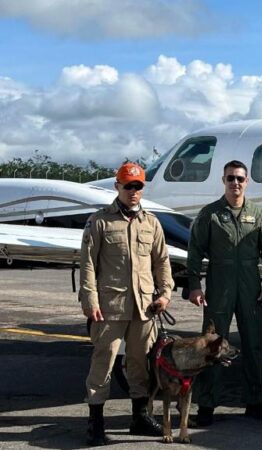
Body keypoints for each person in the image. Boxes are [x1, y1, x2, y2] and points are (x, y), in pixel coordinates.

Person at [80, 162, 174, 446]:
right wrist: (90, 300)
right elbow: (87, 264)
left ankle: (140, 418)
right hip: (109, 305)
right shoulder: (99, 221)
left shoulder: (151, 222)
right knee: (104, 362)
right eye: (128, 185)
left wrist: (165, 293)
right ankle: (96, 422)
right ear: (117, 186)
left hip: (144, 307)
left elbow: (161, 261)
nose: (134, 191)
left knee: (139, 363)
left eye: (138, 186)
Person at [186, 160, 262, 426]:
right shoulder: (210, 214)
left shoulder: (258, 214)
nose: (235, 183)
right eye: (230, 178)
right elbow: (195, 251)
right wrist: (194, 285)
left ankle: (254, 400)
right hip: (219, 285)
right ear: (223, 181)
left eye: (239, 178)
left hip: (250, 286)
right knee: (213, 345)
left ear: (247, 181)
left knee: (253, 344)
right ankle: (206, 405)